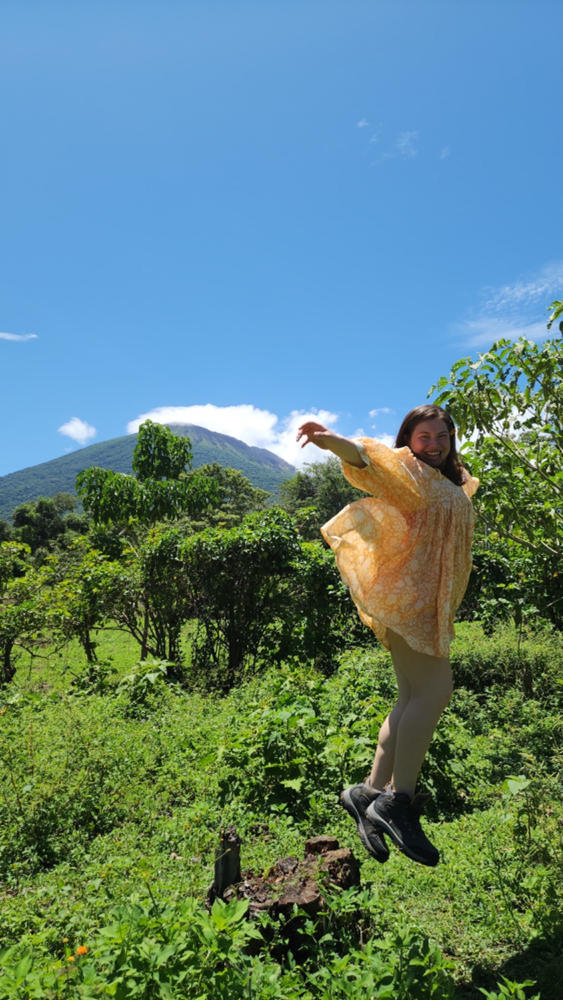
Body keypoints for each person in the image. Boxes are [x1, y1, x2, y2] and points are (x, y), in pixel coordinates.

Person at [296, 405, 479, 867]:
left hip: (425, 603)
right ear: (409, 440)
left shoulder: (453, 481)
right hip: (410, 602)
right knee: (436, 692)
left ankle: (369, 793)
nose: (434, 444)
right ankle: (398, 802)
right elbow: (365, 457)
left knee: (410, 698)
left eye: (442, 435)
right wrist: (330, 440)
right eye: (424, 437)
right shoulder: (409, 472)